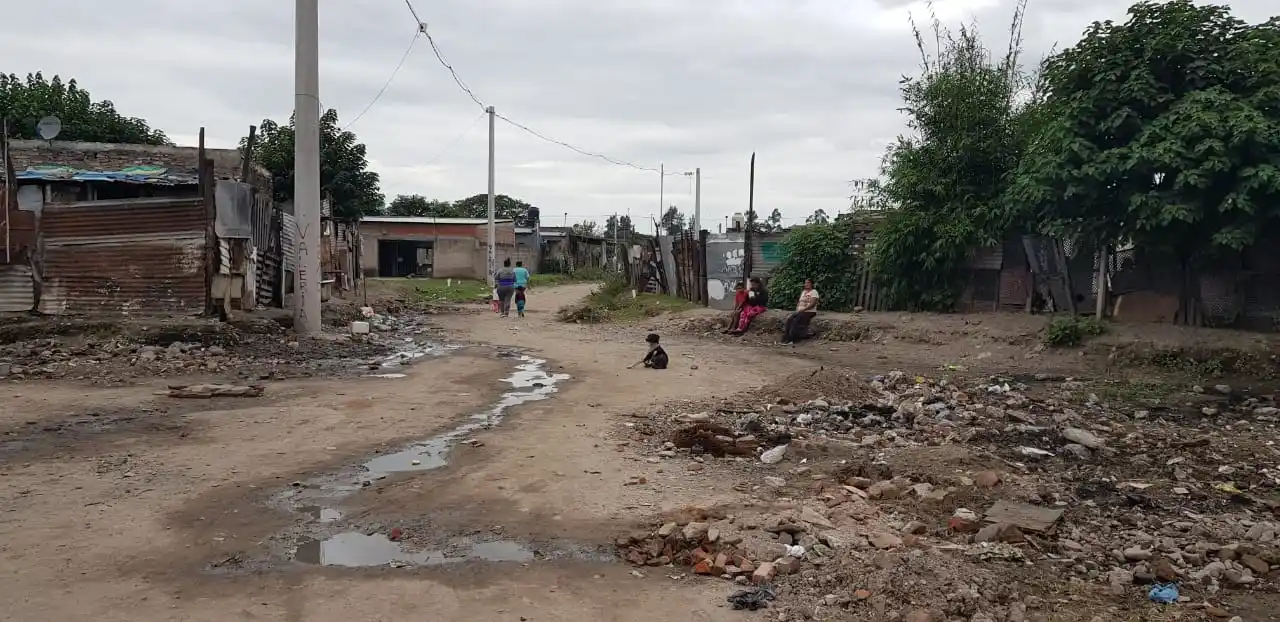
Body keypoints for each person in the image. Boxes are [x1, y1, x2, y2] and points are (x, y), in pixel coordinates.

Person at [782, 278, 820, 344]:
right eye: (805, 283)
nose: (806, 284)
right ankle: (786, 337)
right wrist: (797, 309)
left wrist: (804, 309)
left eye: (808, 283)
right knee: (789, 319)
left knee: (796, 320)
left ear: (812, 284)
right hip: (800, 311)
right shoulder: (803, 292)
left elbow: (812, 304)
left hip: (809, 311)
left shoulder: (814, 292)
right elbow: (799, 302)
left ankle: (793, 338)